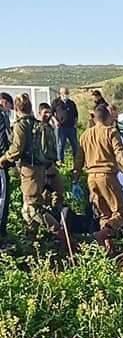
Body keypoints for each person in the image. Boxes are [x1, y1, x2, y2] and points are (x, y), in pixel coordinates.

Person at [73, 104, 123, 246]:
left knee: (105, 214)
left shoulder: (85, 135)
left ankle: (106, 247)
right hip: (107, 177)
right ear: (108, 118)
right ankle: (99, 235)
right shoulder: (111, 132)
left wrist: (75, 179)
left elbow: (78, 160)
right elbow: (120, 154)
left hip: (91, 179)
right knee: (121, 213)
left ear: (95, 118)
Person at [0, 93, 59, 233]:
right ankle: (32, 238)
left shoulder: (21, 125)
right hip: (40, 168)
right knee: (28, 207)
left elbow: (17, 149)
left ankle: (61, 234)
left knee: (33, 208)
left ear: (16, 108)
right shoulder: (38, 124)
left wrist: (3, 159)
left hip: (29, 170)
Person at [38, 103, 64, 210]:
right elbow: (42, 149)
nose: (48, 115)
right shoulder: (39, 128)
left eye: (49, 112)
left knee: (58, 192)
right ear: (39, 113)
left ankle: (56, 212)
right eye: (45, 112)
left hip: (51, 165)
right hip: (44, 167)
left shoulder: (49, 127)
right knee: (45, 195)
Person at [51, 86, 78, 163]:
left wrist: (75, 123)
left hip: (71, 128)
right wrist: (55, 121)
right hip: (61, 128)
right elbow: (51, 113)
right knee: (60, 145)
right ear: (61, 94)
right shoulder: (56, 102)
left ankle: (77, 162)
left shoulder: (71, 103)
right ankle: (60, 162)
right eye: (65, 93)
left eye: (67, 93)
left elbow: (76, 115)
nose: (66, 95)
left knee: (75, 145)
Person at [0, 92, 13, 246]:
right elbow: (2, 139)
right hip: (0, 163)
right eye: (9, 105)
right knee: (2, 198)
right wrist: (6, 159)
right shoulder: (1, 116)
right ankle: (1, 235)